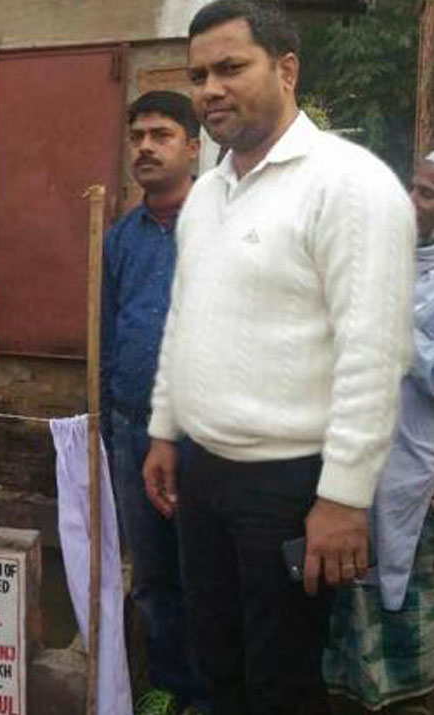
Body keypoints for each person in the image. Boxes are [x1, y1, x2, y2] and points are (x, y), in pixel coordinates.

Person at [141, 2, 416, 713]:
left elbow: (374, 352)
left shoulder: (349, 185)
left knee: (282, 682)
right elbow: (185, 320)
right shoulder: (209, 194)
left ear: (286, 69)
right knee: (218, 664)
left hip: (291, 486)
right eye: (199, 75)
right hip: (204, 473)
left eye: (231, 67)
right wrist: (166, 431)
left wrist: (343, 497)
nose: (210, 89)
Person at [100, 90, 205, 715]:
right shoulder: (121, 239)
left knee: (204, 571)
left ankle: (213, 691)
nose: (145, 147)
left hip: (200, 436)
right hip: (129, 428)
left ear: (193, 146)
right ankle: (169, 683)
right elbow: (109, 332)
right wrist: (107, 424)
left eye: (161, 135)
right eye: (137, 136)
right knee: (151, 574)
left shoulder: (220, 227)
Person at [322, 152, 434, 715]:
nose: (413, 203)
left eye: (429, 194)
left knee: (413, 633)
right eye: (414, 188)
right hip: (361, 475)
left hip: (420, 488)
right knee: (355, 617)